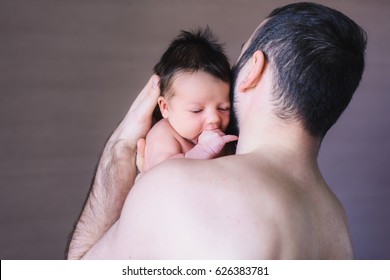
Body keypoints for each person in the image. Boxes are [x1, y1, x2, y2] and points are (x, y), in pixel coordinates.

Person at [66, 2, 366, 259]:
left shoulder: (176, 185)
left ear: (253, 71)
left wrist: (121, 146)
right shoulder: (335, 223)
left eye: (242, 55)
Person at [140, 28, 238, 173]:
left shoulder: (224, 135)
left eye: (224, 108)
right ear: (165, 107)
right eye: (196, 110)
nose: (214, 119)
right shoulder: (164, 134)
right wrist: (204, 150)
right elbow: (164, 173)